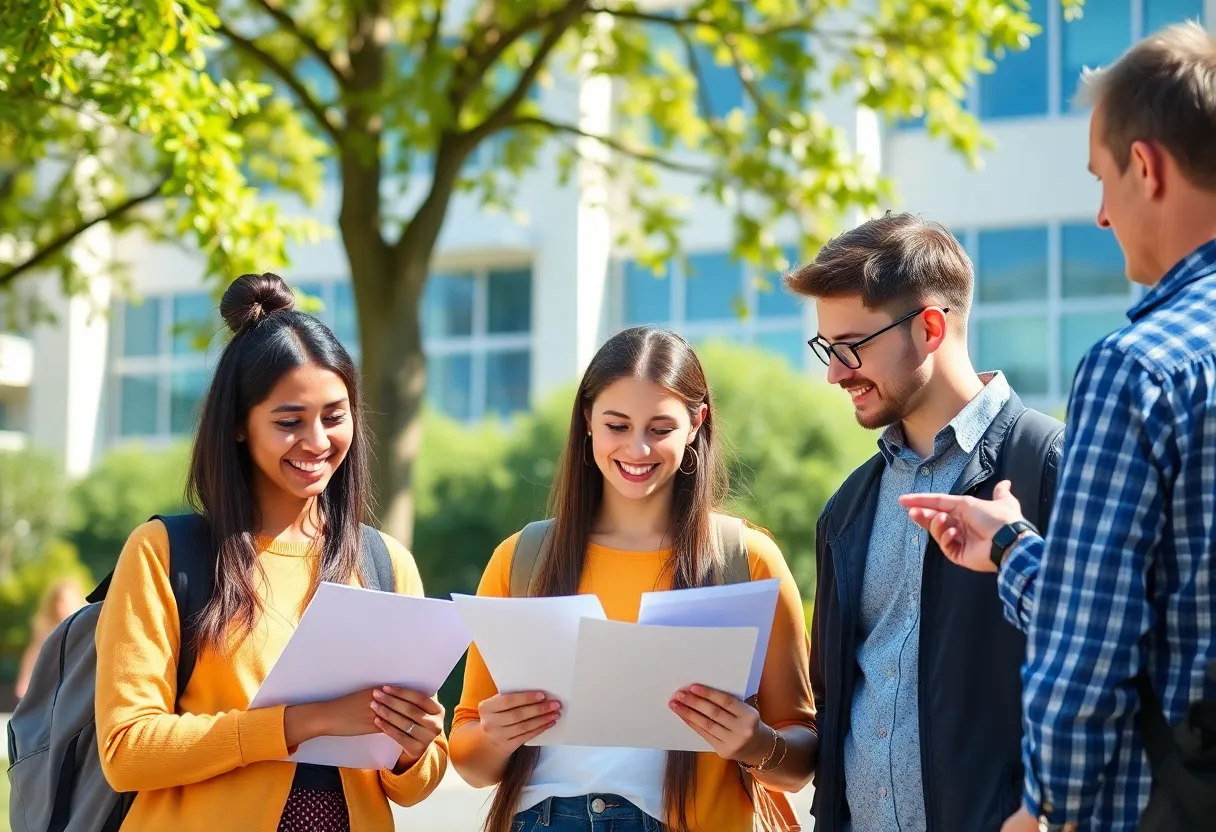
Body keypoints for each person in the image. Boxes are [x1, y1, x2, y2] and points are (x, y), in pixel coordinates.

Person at [898, 22, 1216, 832]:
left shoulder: (1140, 368)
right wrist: (1010, 546)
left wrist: (1047, 807)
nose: (1102, 215)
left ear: (1145, 166)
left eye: (1101, 179)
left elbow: (1093, 650)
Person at [93, 273, 448, 832]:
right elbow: (126, 749)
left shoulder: (385, 562)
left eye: (335, 417)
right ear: (238, 425)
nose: (317, 441)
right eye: (289, 422)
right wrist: (304, 722)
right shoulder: (166, 552)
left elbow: (415, 784)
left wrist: (414, 742)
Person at [448, 326, 816, 832]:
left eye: (660, 428)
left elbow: (801, 757)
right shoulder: (522, 558)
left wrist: (756, 744)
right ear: (587, 422)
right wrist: (497, 734)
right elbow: (469, 761)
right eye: (617, 425)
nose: (637, 449)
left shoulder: (747, 559)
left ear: (696, 423)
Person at [782, 211, 1065, 832]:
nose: (834, 372)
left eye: (852, 346)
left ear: (931, 327)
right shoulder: (847, 510)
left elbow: (1103, 661)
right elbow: (832, 706)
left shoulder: (1054, 466)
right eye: (828, 348)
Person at [14, 576, 86, 699]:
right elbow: (33, 652)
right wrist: (24, 679)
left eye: (69, 602)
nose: (64, 607)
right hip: (51, 683)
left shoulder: (84, 624)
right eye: (61, 602)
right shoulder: (45, 627)